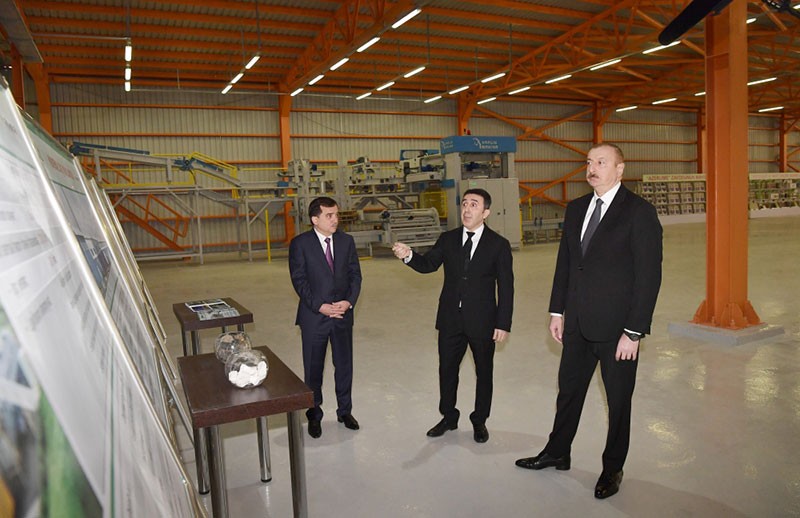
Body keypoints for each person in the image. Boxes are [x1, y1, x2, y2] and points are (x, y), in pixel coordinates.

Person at [515, 143, 663, 499]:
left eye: (601, 162)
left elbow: (649, 276)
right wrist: (557, 310)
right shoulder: (577, 208)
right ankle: (557, 451)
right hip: (578, 324)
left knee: (618, 402)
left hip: (617, 329)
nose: (592, 168)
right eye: (588, 162)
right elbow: (566, 263)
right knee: (568, 392)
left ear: (620, 169)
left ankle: (613, 468)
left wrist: (634, 332)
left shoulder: (639, 212)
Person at [392, 188, 513, 443]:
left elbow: (506, 287)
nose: (467, 209)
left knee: (484, 373)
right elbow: (428, 265)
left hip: (482, 321)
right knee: (447, 370)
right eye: (465, 204)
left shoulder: (498, 245)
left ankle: (479, 420)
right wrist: (409, 256)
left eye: (474, 205)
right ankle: (449, 417)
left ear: (486, 212)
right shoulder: (448, 239)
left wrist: (503, 323)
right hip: (450, 319)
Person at [289, 196, 362, 438]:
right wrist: (319, 306)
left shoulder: (346, 241)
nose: (335, 220)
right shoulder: (300, 244)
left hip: (341, 315)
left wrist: (348, 302)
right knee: (313, 368)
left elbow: (355, 276)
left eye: (336, 214)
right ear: (315, 219)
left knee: (344, 365)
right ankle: (314, 414)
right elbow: (299, 280)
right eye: (329, 215)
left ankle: (345, 411)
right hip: (314, 317)